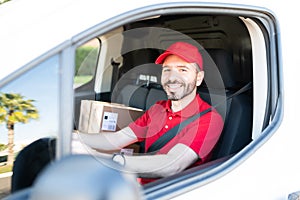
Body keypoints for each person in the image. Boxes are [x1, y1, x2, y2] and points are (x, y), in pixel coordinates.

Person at [77, 41, 224, 185]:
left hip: (168, 192)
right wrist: (75, 139)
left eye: (183, 70)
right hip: (137, 184)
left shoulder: (209, 119)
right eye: (167, 70)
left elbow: (172, 165)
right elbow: (118, 138)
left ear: (198, 78)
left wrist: (106, 160)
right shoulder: (157, 109)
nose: (172, 77)